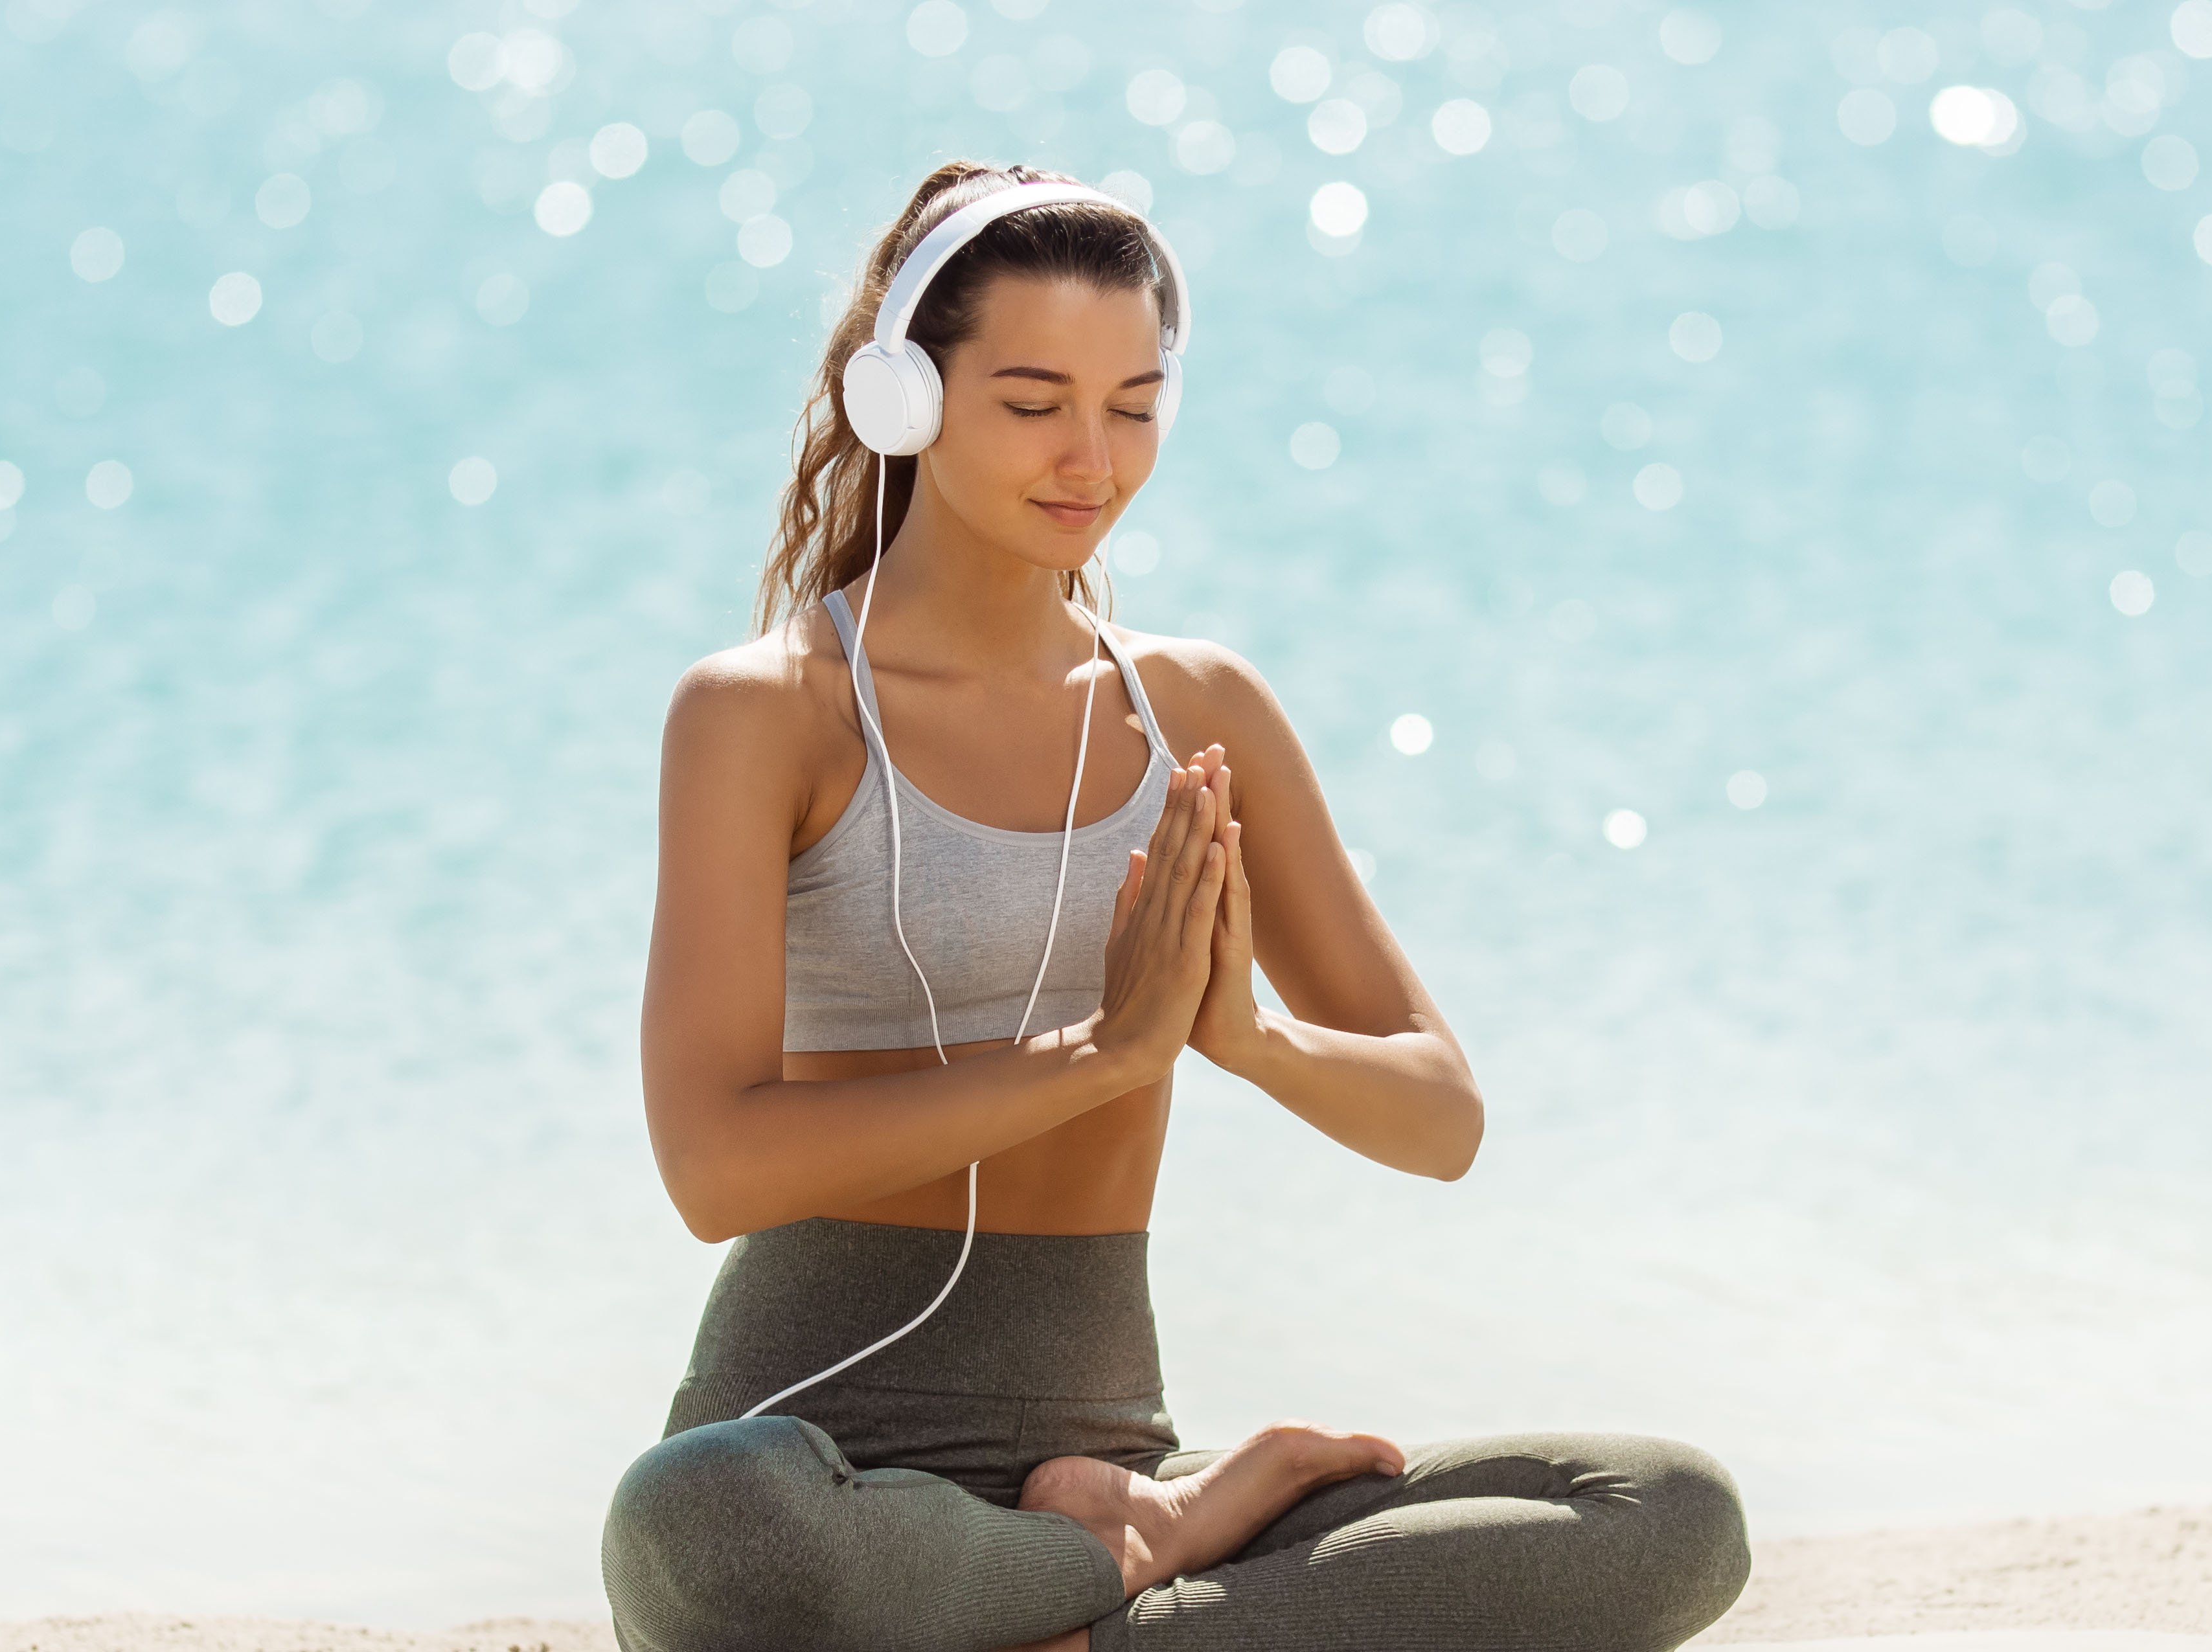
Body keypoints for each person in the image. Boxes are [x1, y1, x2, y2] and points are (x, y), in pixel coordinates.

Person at [604, 160, 1751, 1652]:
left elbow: (1441, 1115)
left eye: (1133, 406)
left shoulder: (1197, 709)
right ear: (905, 394)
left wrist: (1245, 1040)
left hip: (1114, 1440)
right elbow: (713, 1167)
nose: (1091, 455)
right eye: (1032, 403)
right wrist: (1097, 1057)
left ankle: (1096, 1579)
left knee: (1664, 1513)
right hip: (820, 1457)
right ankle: (1146, 1566)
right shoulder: (769, 713)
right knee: (705, 1525)